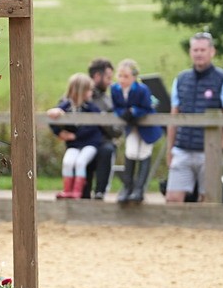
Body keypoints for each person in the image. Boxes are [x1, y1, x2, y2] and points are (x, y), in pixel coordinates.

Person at [166, 31, 223, 203]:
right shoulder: (181, 79)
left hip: (209, 152)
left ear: (212, 52)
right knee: (173, 199)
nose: (198, 53)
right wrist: (170, 149)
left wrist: (220, 150)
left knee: (209, 200)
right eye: (195, 50)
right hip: (182, 149)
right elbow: (173, 117)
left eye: (202, 50)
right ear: (190, 52)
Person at [111, 59, 162, 204]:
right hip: (131, 126)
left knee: (144, 153)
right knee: (131, 152)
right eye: (120, 76)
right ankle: (128, 187)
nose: (122, 80)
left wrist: (134, 111)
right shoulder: (115, 89)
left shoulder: (141, 89)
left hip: (146, 127)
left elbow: (147, 107)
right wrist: (123, 113)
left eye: (126, 76)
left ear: (133, 77)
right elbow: (116, 107)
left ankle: (139, 189)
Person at [47, 73, 103, 199]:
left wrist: (75, 136)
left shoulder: (91, 107)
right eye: (89, 90)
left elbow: (94, 126)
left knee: (80, 162)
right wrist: (59, 132)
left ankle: (77, 191)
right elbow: (55, 115)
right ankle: (67, 190)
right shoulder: (67, 106)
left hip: (89, 143)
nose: (91, 93)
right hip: (74, 144)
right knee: (68, 162)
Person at [84, 57, 122, 199]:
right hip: (83, 142)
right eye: (108, 77)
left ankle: (101, 191)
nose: (110, 82)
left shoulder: (109, 101)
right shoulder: (80, 95)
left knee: (107, 150)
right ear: (97, 76)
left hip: (103, 142)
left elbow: (118, 130)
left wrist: (104, 122)